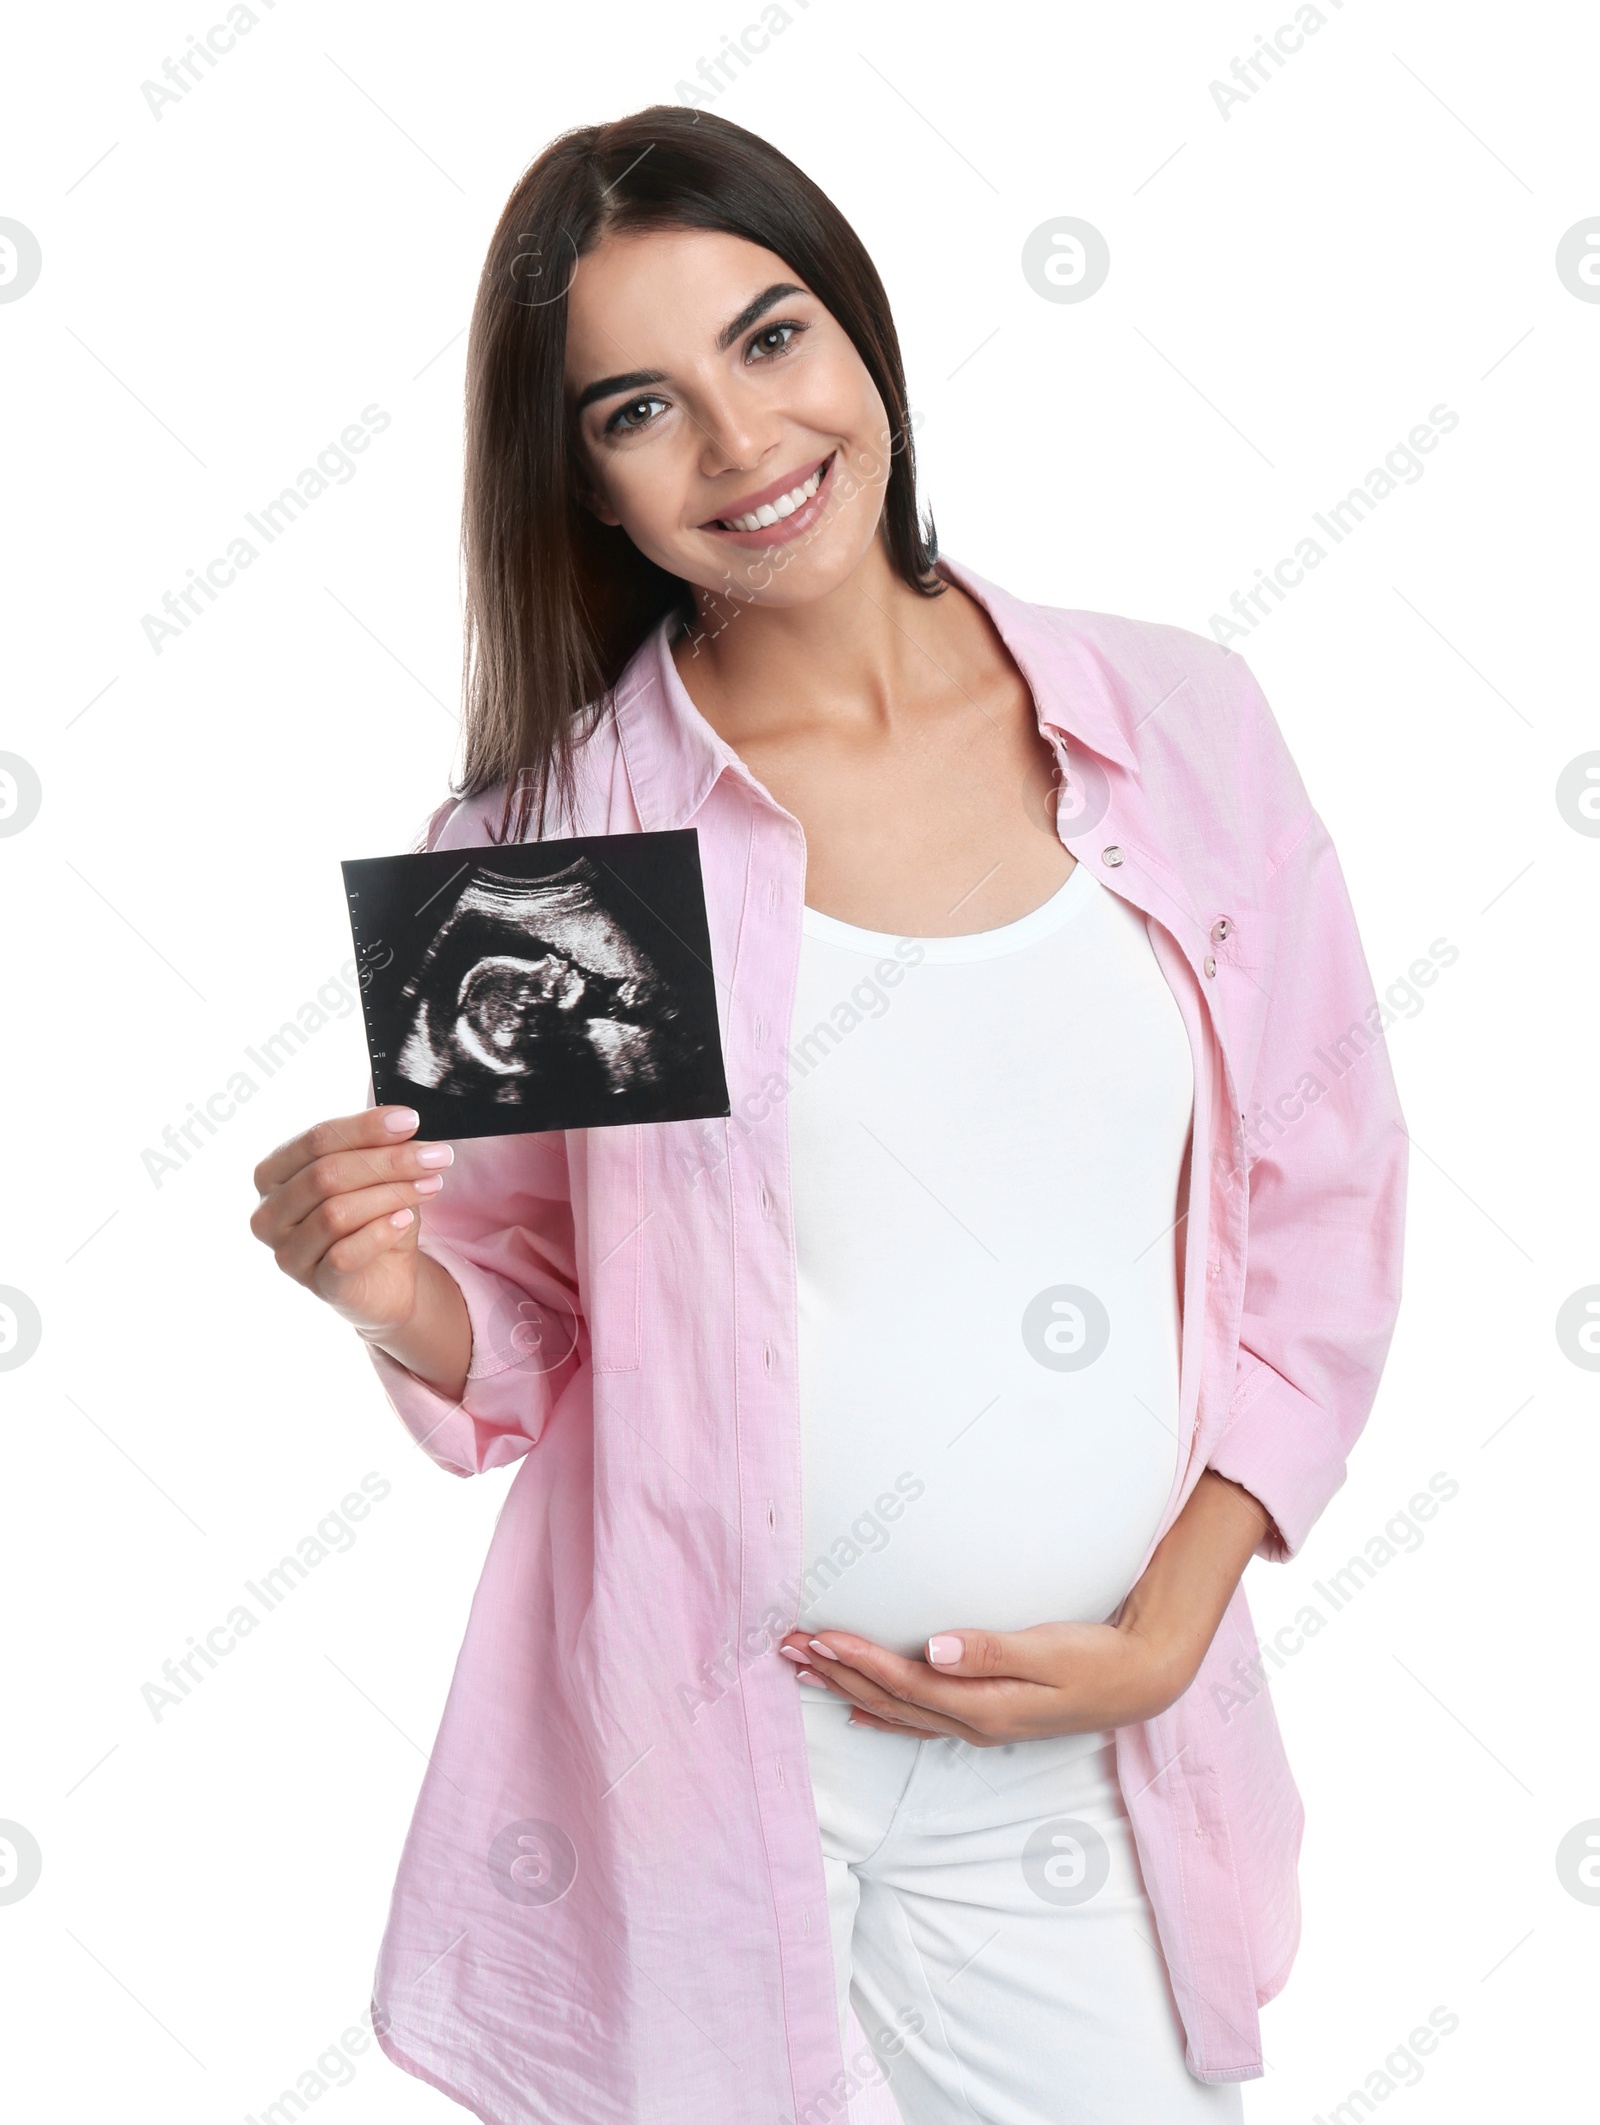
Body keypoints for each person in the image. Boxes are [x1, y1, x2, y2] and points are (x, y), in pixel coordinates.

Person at [249, 106, 1407, 2125]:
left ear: (857, 336)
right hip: (695, 1770)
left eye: (769, 340)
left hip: (1071, 1752)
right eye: (638, 406)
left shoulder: (1175, 721)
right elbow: (525, 1328)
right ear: (583, 483)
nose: (739, 444)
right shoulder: (553, 850)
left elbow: (1323, 1204)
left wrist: (1167, 1621)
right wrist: (385, 1287)